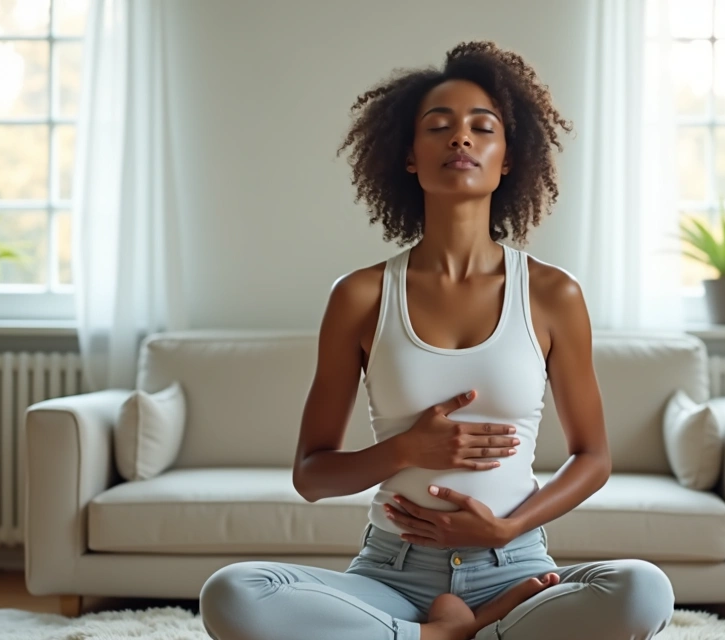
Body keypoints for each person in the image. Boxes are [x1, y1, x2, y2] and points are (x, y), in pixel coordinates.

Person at [198, 41, 675, 640]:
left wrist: (507, 528)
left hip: (515, 568)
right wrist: (405, 449)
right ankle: (456, 634)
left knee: (642, 589)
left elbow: (594, 457)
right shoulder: (361, 296)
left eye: (483, 127)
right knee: (235, 594)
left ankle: (441, 632)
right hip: (392, 577)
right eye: (439, 126)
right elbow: (312, 476)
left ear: (507, 159)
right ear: (409, 156)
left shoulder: (553, 294)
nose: (461, 139)